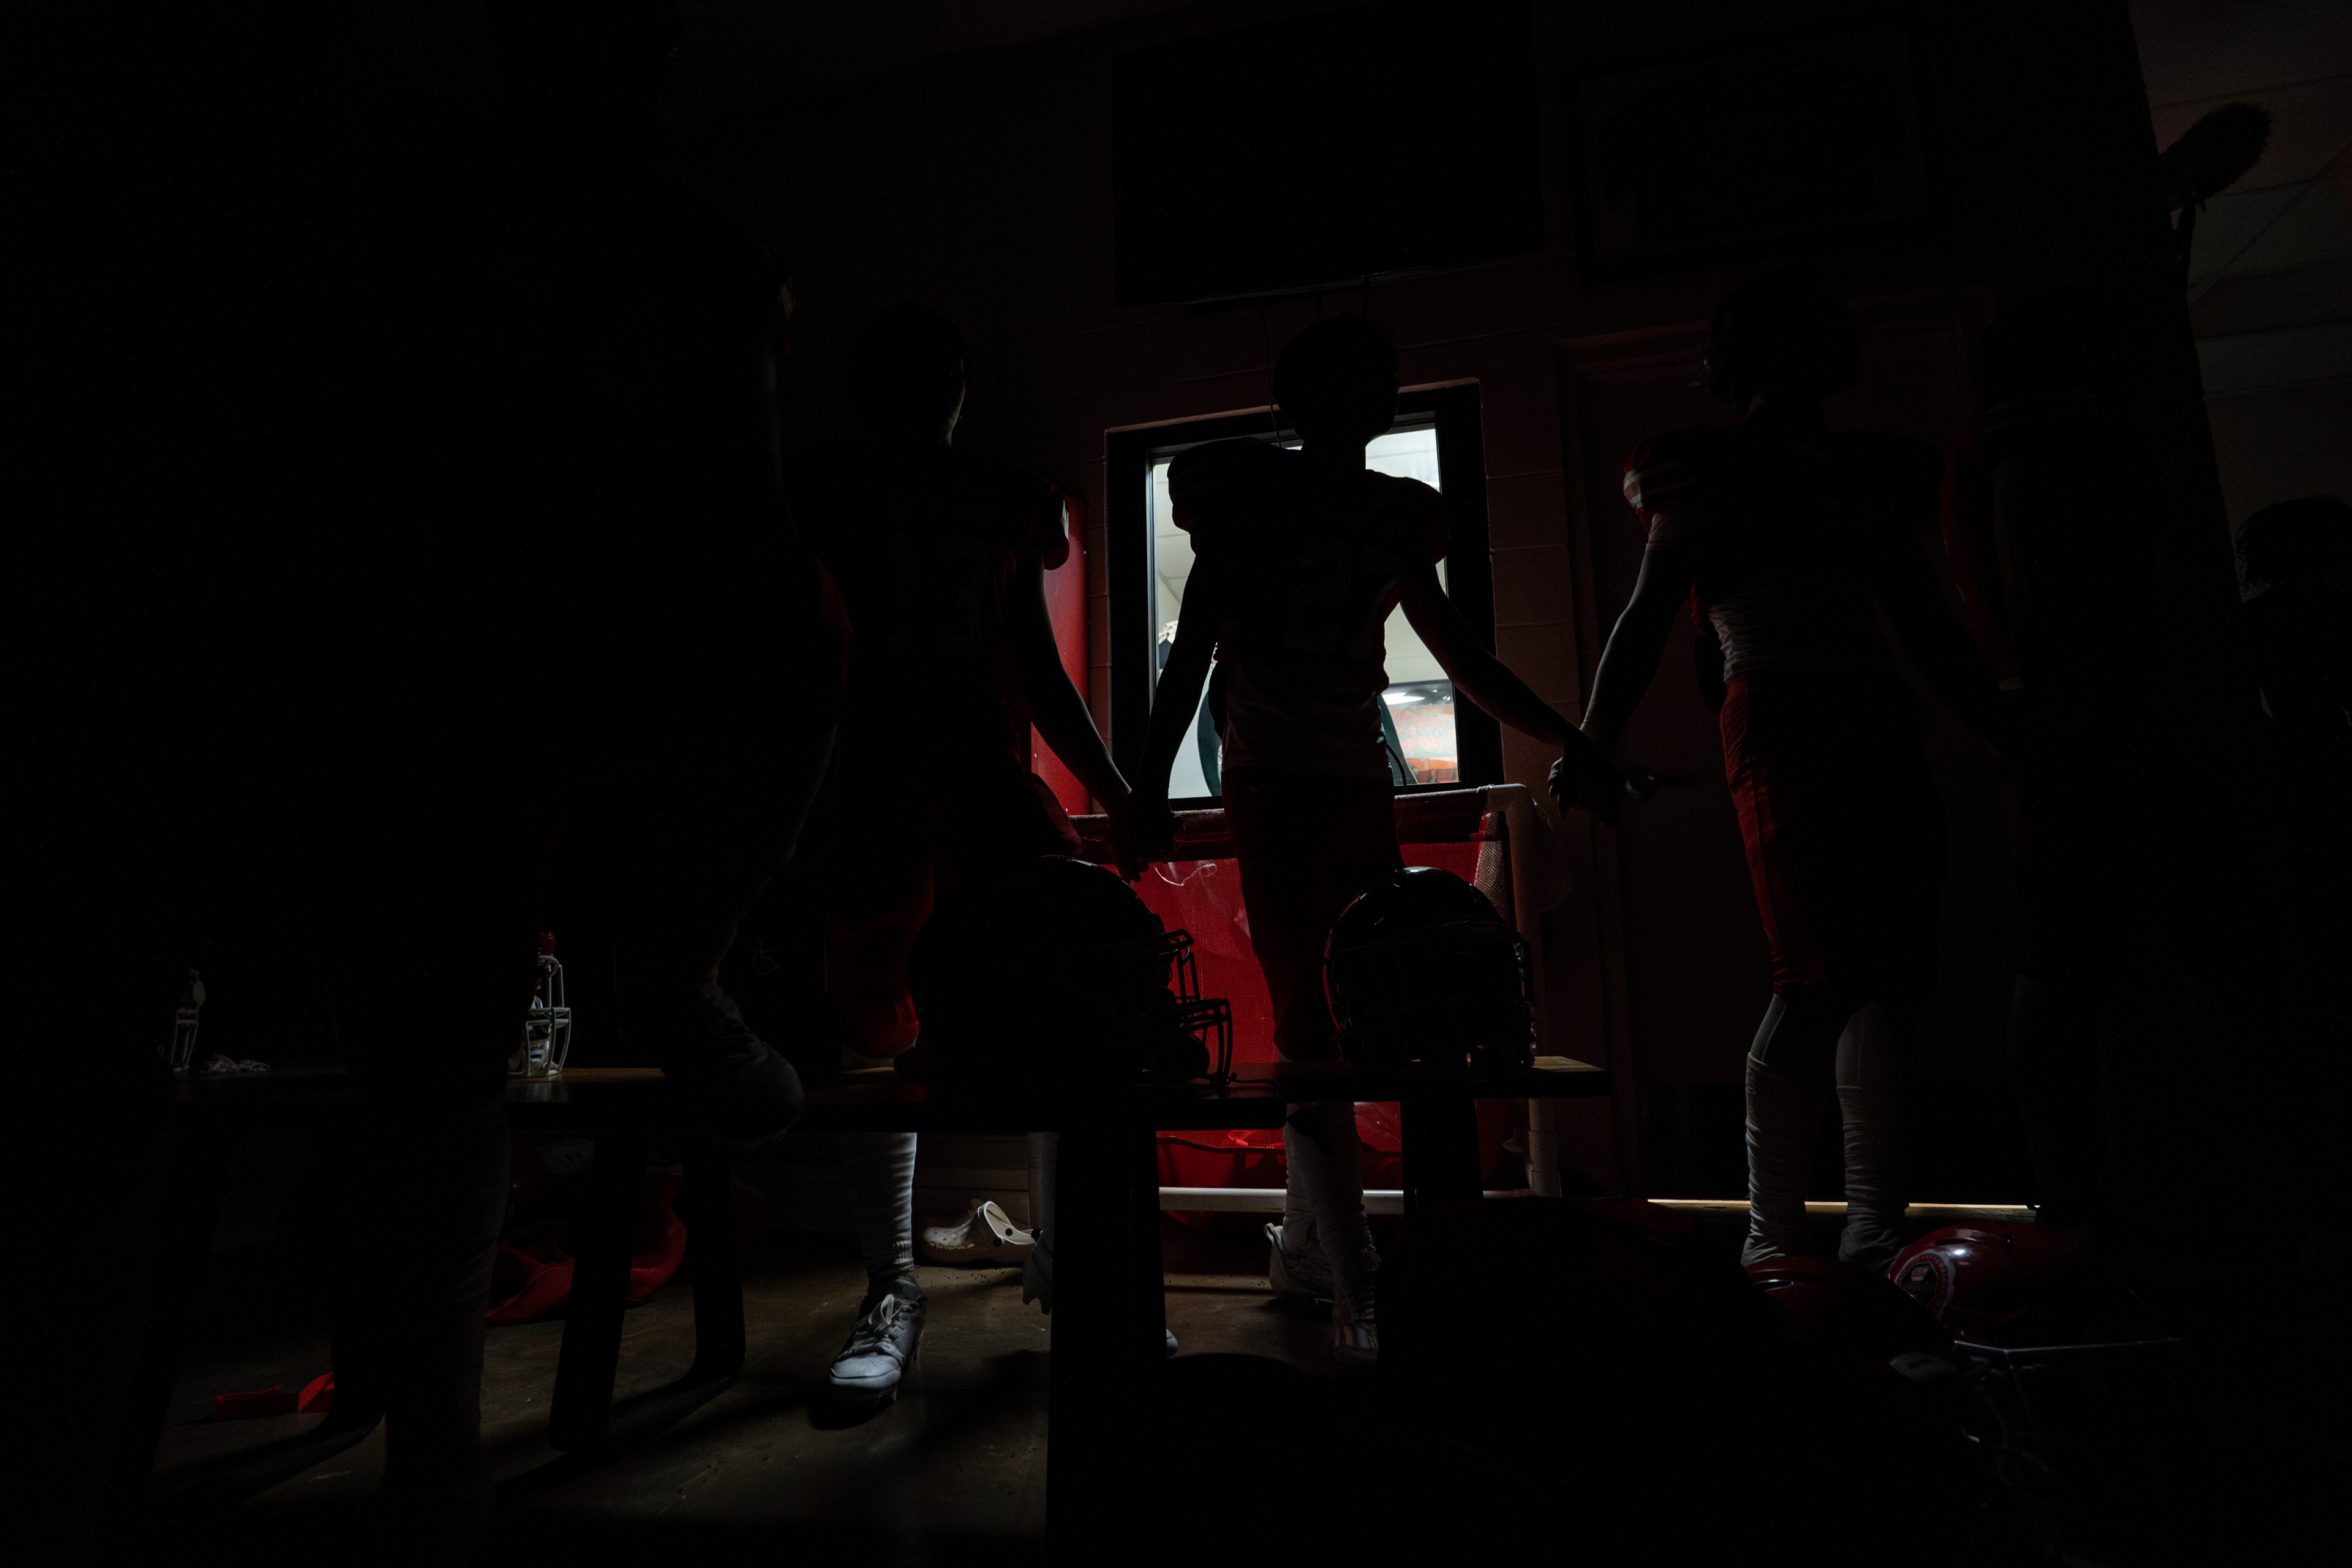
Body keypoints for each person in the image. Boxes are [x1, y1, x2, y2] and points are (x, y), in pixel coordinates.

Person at [1129, 314, 1613, 1363]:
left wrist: (1143, 786)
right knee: (1343, 1027)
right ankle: (1352, 1270)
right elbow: (1459, 660)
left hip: (1320, 779)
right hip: (1315, 780)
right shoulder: (1375, 514)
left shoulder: (1274, 503)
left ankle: (1326, 1254)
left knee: (1353, 1026)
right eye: (1377, 374)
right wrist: (1574, 737)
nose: (1391, 385)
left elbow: (1195, 659)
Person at [1577, 265, 2010, 1270]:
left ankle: (1867, 1231)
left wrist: (2001, 731)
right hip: (1781, 706)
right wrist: (1594, 739)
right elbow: (1646, 618)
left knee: (1886, 977)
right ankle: (1776, 1236)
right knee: (1817, 973)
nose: (1851, 351)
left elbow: (1924, 624)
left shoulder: (1856, 470)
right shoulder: (1714, 472)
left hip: (1861, 707)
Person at [783, 304, 1139, 1403]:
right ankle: (893, 1285)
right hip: (876, 775)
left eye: (940, 370)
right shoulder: (846, 487)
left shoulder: (974, 492)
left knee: (1051, 1017)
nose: (929, 391)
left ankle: (1065, 1264)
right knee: (870, 1031)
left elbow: (1033, 657)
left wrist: (1120, 789)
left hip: (968, 775)